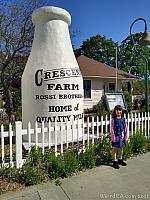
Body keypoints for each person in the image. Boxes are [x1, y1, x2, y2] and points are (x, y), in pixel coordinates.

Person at [111, 105, 129, 169]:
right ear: (115, 111)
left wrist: (126, 136)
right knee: (115, 149)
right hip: (116, 137)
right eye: (117, 110)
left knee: (121, 148)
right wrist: (113, 137)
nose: (119, 111)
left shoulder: (123, 119)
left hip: (122, 137)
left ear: (122, 111)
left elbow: (126, 128)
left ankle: (120, 159)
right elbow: (112, 129)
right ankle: (114, 161)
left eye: (120, 110)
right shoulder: (113, 120)